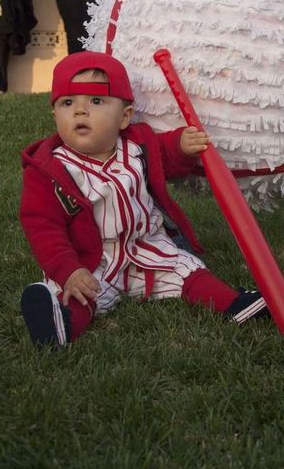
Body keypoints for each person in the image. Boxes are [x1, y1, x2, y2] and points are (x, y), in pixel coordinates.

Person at [19, 51, 268, 347]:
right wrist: (68, 269)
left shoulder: (137, 145)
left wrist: (181, 146)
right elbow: (43, 225)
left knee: (184, 269)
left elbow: (165, 157)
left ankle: (233, 304)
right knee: (82, 293)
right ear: (55, 114)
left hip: (146, 245)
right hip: (91, 258)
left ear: (124, 117)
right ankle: (61, 321)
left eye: (96, 101)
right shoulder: (50, 169)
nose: (80, 111)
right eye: (67, 103)